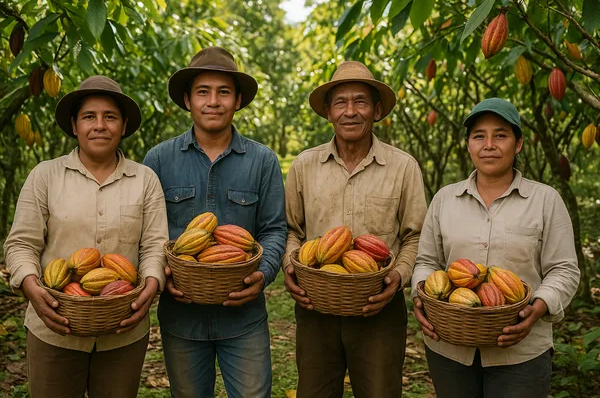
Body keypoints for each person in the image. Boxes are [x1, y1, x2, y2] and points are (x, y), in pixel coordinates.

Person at [4, 75, 168, 397]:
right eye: (89, 116)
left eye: (110, 117)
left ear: (123, 126)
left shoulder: (145, 180)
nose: (100, 125)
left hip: (123, 328)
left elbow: (154, 246)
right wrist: (30, 286)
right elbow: (21, 243)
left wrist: (151, 282)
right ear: (74, 125)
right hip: (53, 326)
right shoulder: (45, 176)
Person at [411, 98, 581, 398]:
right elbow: (426, 261)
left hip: (521, 352)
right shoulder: (444, 199)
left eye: (500, 135)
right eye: (479, 136)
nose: (489, 144)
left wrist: (537, 307)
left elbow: (564, 269)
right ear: (468, 145)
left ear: (518, 144)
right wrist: (422, 295)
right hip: (450, 346)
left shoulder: (545, 200)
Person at [143, 46, 287, 398]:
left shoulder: (262, 160)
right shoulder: (158, 160)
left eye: (223, 92)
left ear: (237, 101)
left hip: (244, 318)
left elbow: (273, 228)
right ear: (188, 100)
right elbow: (146, 233)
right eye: (203, 92)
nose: (213, 101)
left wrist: (263, 273)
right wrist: (162, 275)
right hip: (181, 318)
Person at [283, 61, 427, 398]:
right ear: (328, 112)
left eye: (360, 101)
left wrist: (400, 275)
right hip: (316, 307)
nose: (351, 111)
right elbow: (292, 230)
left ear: (376, 111)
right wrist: (291, 265)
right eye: (341, 102)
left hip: (379, 308)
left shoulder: (403, 166)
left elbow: (416, 235)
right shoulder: (304, 165)